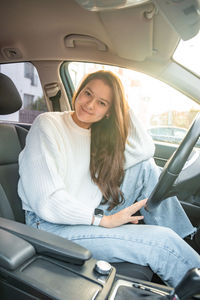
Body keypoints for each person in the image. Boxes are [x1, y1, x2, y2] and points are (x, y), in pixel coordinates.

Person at [18, 70, 200, 288]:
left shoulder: (98, 132)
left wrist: (120, 104)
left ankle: (186, 243)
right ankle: (180, 258)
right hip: (50, 225)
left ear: (108, 112)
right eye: (87, 93)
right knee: (161, 243)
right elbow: (47, 200)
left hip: (88, 209)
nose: (90, 105)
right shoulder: (47, 124)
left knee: (145, 167)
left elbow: (144, 150)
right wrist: (102, 220)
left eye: (102, 103)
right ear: (79, 91)